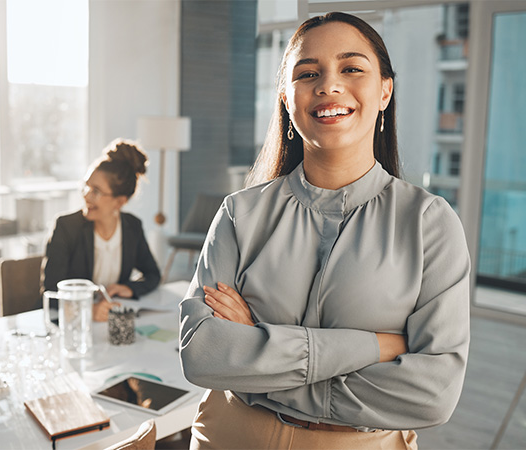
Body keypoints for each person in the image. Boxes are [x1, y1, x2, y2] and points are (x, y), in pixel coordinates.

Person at [178, 12, 470, 449]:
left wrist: (255, 354)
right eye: (308, 73)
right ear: (286, 97)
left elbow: (433, 395)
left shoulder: (429, 222)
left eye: (351, 68)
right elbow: (202, 355)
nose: (328, 85)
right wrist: (374, 346)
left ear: (385, 90)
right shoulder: (240, 213)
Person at [43, 139, 161, 321]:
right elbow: (51, 291)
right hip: (68, 323)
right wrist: (88, 310)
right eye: (86, 186)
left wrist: (129, 288)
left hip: (108, 321)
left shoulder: (132, 227)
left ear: (120, 201)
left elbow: (153, 275)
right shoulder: (66, 227)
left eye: (96, 191)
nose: (86, 195)